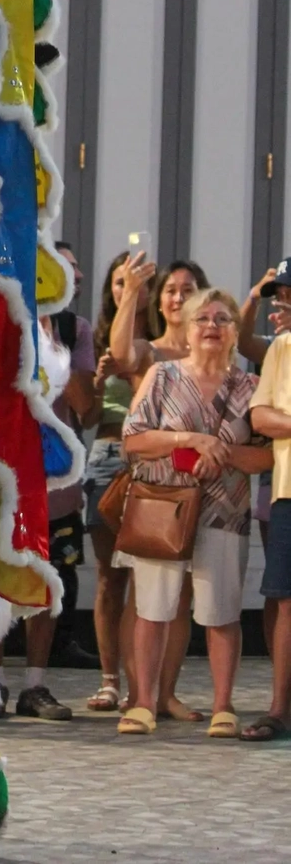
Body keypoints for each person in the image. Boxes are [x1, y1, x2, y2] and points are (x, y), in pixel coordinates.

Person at [119, 288, 271, 737]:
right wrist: (190, 441)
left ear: (234, 332)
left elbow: (266, 457)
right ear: (186, 330)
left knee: (221, 611)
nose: (212, 326)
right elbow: (134, 440)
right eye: (203, 318)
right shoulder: (162, 376)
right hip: (162, 508)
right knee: (153, 607)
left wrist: (221, 452)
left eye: (223, 320)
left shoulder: (251, 388)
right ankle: (145, 702)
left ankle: (224, 706)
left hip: (225, 510)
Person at [110, 255, 208, 721]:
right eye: (171, 289)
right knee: (142, 592)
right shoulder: (151, 352)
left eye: (188, 290)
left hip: (197, 491)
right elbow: (124, 355)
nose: (178, 297)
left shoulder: (213, 349)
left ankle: (166, 692)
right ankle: (138, 693)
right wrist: (131, 290)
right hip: (152, 487)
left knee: (182, 595)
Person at [15, 295, 97, 722]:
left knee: (48, 585)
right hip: (2, 474)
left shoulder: (73, 328)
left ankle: (35, 684)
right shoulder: (0, 308)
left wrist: (55, 343)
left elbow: (88, 407)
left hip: (56, 484)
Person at [84, 252, 154, 713]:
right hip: (106, 456)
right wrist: (96, 381)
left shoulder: (161, 343)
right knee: (110, 579)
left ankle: (142, 686)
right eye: (116, 281)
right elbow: (87, 416)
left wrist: (128, 372)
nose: (123, 288)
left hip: (149, 463)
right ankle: (110, 681)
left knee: (145, 579)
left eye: (132, 281)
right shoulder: (94, 338)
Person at [243, 260, 291, 740]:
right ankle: (279, 707)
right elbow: (261, 419)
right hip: (288, 492)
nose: (284, 302)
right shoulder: (282, 348)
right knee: (284, 598)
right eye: (281, 295)